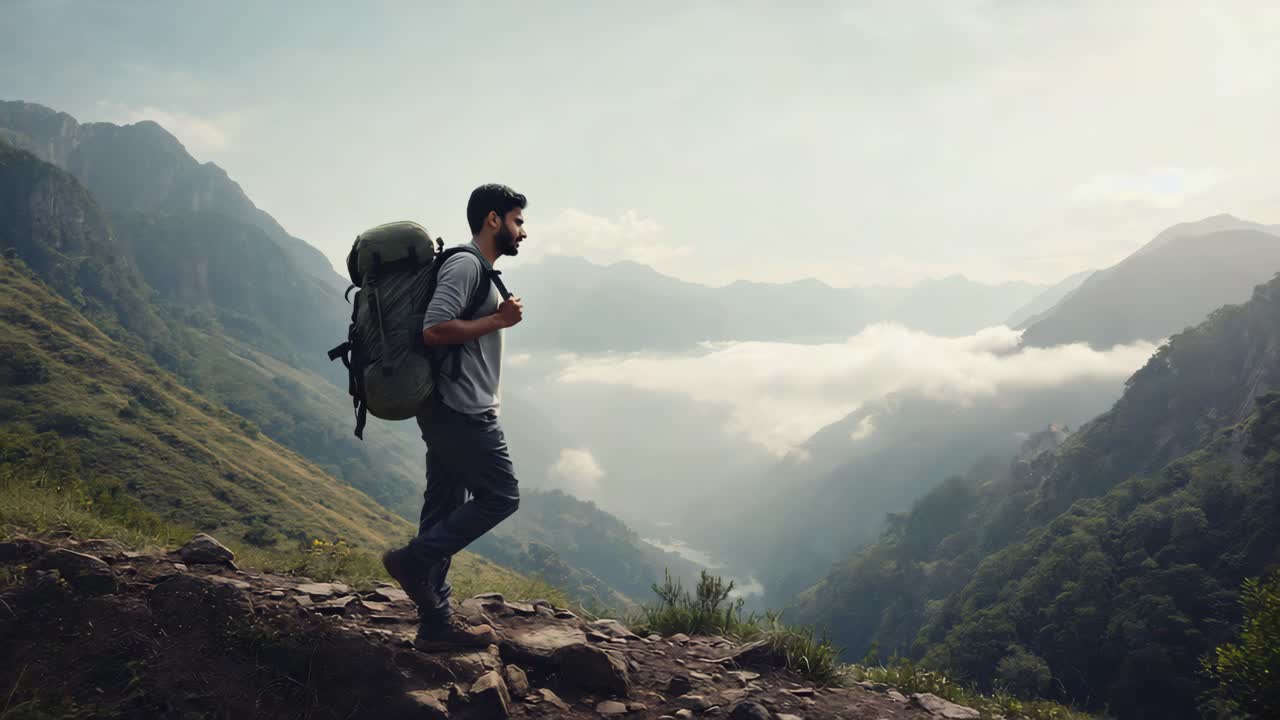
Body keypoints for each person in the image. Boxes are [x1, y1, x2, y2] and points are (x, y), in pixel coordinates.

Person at [382, 183, 527, 651]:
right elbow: (434, 330)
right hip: (462, 411)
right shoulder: (467, 264)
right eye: (517, 220)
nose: (522, 231)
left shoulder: (480, 270)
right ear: (492, 220)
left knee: (443, 508)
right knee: (501, 496)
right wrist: (498, 322)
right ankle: (412, 561)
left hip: (449, 408)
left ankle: (435, 625)